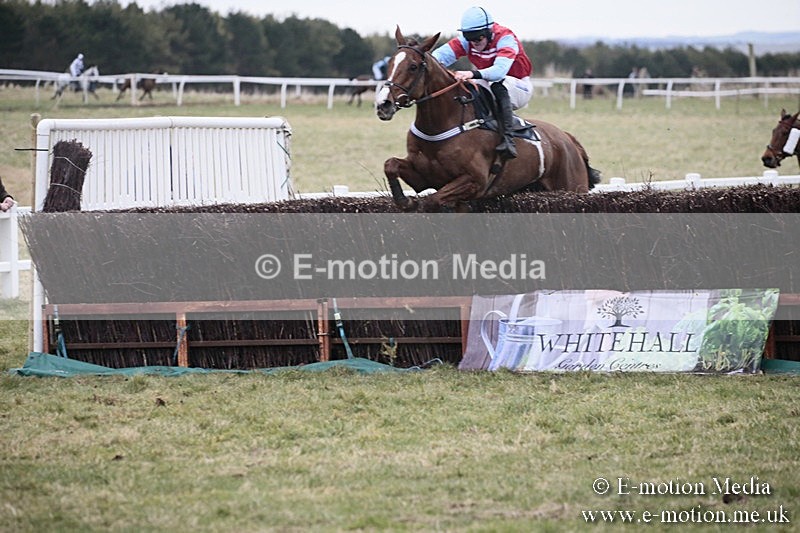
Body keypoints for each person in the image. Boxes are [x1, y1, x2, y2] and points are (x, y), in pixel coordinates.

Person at [431, 6, 533, 160]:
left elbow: (499, 71)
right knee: (465, 88)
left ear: (489, 33)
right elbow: (437, 57)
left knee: (497, 83)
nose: (474, 43)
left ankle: (508, 139)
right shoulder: (469, 41)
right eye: (470, 39)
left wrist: (471, 73)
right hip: (488, 81)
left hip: (519, 86)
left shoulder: (506, 38)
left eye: (478, 38)